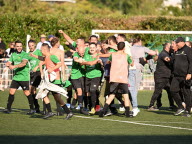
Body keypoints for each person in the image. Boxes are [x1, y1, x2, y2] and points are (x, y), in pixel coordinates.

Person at [39, 43, 73, 119]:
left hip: (55, 80)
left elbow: (60, 63)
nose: (41, 51)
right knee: (44, 94)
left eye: (41, 50)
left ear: (44, 50)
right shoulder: (46, 57)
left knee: (56, 98)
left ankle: (67, 112)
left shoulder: (52, 56)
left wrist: (52, 69)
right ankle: (51, 112)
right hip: (50, 81)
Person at [99, 42, 133, 117]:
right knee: (125, 96)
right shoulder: (126, 56)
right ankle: (127, 113)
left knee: (111, 95)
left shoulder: (113, 55)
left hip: (114, 78)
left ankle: (103, 111)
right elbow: (132, 64)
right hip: (123, 79)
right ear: (124, 48)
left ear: (117, 47)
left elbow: (108, 61)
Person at [4, 40, 35, 114]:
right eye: (17, 46)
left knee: (26, 92)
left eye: (20, 46)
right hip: (16, 77)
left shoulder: (25, 54)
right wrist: (8, 64)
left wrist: (14, 66)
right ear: (15, 47)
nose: (19, 48)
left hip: (24, 77)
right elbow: (9, 62)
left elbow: (23, 63)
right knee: (11, 91)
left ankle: (32, 109)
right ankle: (8, 109)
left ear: (22, 46)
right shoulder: (13, 54)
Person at [129, 37, 157, 116]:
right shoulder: (142, 48)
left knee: (130, 87)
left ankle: (129, 105)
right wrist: (156, 52)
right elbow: (152, 53)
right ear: (139, 41)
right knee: (135, 88)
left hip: (129, 68)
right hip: (137, 69)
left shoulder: (130, 48)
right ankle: (134, 106)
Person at [148, 42, 176, 111]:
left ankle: (171, 105)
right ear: (167, 47)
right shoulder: (163, 54)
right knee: (158, 91)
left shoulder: (168, 54)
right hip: (161, 76)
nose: (172, 47)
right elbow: (167, 59)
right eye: (170, 46)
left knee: (170, 90)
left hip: (166, 76)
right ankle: (151, 106)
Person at [168, 37, 192, 117]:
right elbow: (174, 60)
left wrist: (190, 73)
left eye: (177, 42)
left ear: (182, 42)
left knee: (186, 93)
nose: (176, 44)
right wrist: (169, 59)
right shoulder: (177, 51)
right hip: (176, 75)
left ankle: (188, 111)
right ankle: (180, 106)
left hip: (185, 76)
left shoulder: (188, 50)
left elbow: (191, 62)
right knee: (172, 90)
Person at [81, 43, 103, 115]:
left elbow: (101, 62)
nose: (92, 48)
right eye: (90, 47)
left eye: (93, 47)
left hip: (96, 76)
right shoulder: (86, 55)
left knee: (92, 90)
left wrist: (100, 62)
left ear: (96, 48)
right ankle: (89, 106)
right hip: (88, 76)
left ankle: (94, 107)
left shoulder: (99, 55)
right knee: (87, 92)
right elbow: (82, 63)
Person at [28, 40, 42, 113]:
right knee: (31, 90)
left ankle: (37, 107)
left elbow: (43, 59)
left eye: (32, 45)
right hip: (31, 73)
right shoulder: (28, 54)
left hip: (38, 72)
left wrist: (37, 66)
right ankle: (36, 107)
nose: (31, 47)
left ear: (35, 45)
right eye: (29, 46)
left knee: (33, 88)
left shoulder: (38, 52)